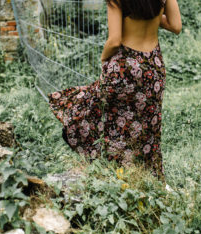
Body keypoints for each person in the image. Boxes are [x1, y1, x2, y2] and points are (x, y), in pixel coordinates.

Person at [48, 0, 181, 180]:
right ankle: (146, 177)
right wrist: (153, 17)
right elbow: (176, 26)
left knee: (101, 113)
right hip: (152, 68)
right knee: (147, 127)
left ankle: (113, 170)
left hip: (124, 67)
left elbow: (114, 40)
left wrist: (103, 59)